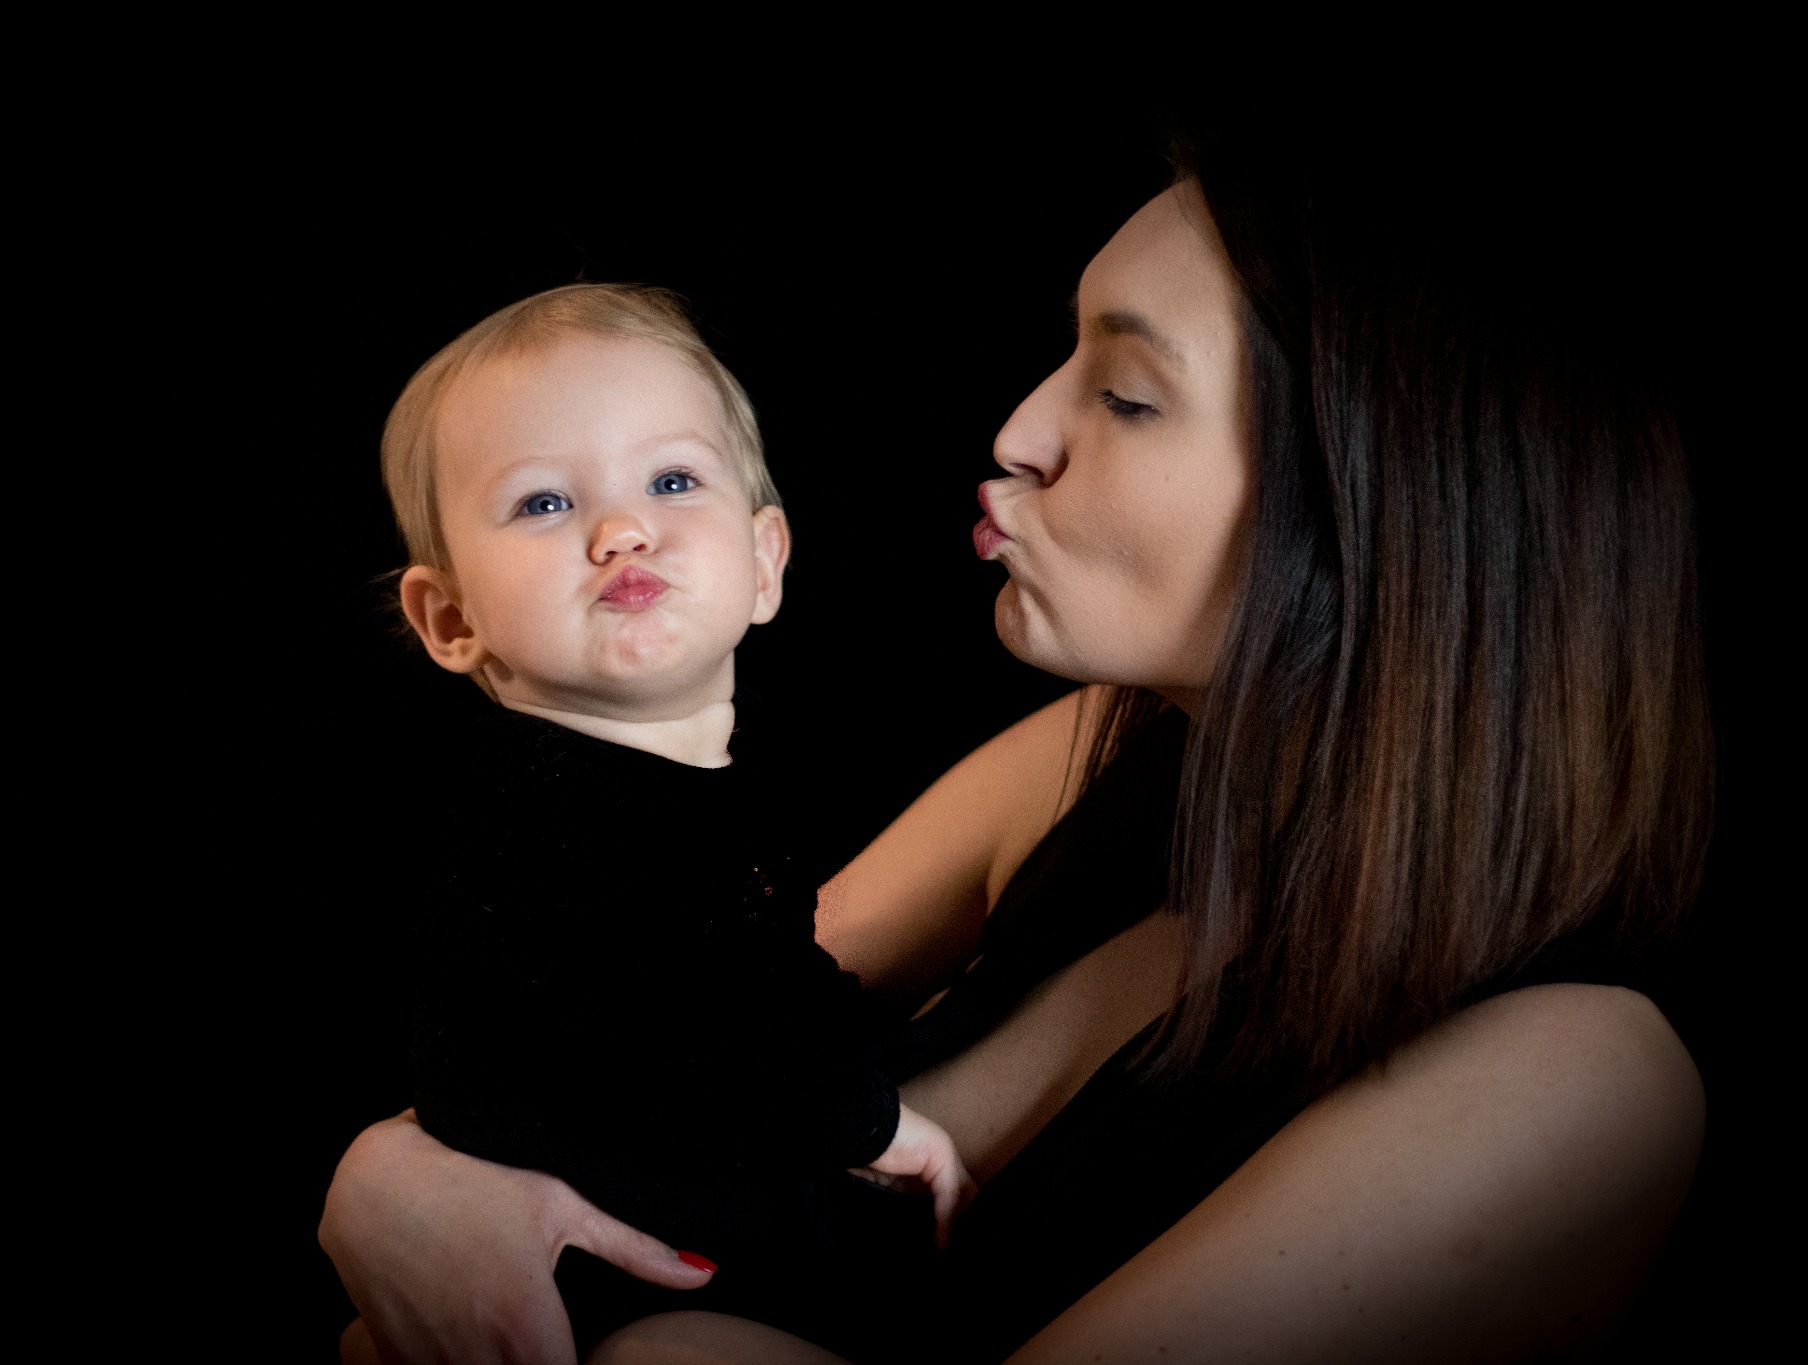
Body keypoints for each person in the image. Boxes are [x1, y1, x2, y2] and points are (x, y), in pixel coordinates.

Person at [321, 122, 1712, 1363]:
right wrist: (392, 1179)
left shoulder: (1577, 1084)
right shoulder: (1093, 760)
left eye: (1124, 392)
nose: (1020, 430)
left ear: (1378, 504)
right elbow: (651, 1009)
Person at [368, 283, 972, 1359]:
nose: (621, 528)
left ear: (765, 563)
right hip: (587, 1281)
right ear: (449, 618)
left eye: (672, 479)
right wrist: (876, 1124)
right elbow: (729, 1020)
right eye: (545, 503)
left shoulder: (682, 795)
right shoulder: (546, 809)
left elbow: (765, 979)